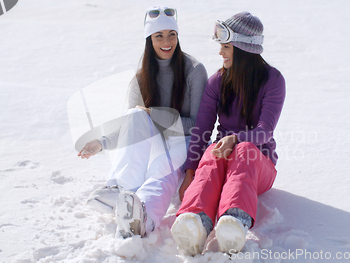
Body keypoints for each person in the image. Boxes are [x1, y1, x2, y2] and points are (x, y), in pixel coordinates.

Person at [78, 5, 207, 239]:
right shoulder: (141, 77)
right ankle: (121, 190)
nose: (166, 41)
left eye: (172, 35)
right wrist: (102, 142)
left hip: (186, 142)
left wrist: (154, 114)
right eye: (159, 36)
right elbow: (133, 125)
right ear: (150, 39)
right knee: (135, 115)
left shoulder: (194, 71)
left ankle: (143, 217)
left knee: (161, 166)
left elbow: (198, 124)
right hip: (156, 140)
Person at [170, 12, 286, 255]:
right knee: (213, 150)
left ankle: (234, 223)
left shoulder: (273, 80)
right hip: (223, 162)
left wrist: (236, 138)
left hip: (259, 166)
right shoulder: (218, 81)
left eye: (226, 47)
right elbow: (202, 130)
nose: (220, 53)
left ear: (243, 49)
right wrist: (191, 171)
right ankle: (194, 221)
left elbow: (265, 131)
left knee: (243, 149)